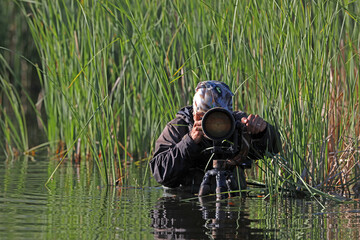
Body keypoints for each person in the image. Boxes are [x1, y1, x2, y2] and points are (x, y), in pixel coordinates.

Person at [150, 80, 280, 193]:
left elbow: (272, 148)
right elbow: (160, 172)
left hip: (230, 201)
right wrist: (190, 141)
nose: (213, 124)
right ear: (194, 114)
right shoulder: (178, 128)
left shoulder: (236, 125)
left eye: (219, 118)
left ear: (228, 114)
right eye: (203, 117)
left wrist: (262, 132)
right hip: (184, 201)